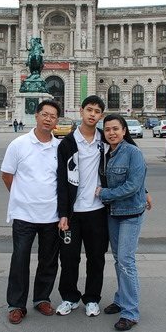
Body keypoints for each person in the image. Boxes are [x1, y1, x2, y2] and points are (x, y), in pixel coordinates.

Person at [0, 99, 62, 325]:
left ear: (56, 121)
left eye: (53, 116)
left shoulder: (60, 148)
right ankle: (16, 305)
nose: (48, 119)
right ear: (36, 116)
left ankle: (42, 298)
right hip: (24, 214)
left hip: (51, 215)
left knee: (48, 260)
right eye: (45, 114)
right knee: (20, 259)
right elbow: (7, 175)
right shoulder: (18, 144)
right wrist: (22, 196)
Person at [95, 114, 151, 331]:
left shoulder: (133, 152)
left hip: (130, 213)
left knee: (126, 261)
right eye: (108, 129)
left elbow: (133, 184)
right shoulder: (105, 153)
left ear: (124, 130)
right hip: (113, 213)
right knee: (119, 259)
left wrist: (104, 194)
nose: (111, 133)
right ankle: (121, 299)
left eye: (115, 129)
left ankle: (130, 312)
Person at [55, 95, 107, 317]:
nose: (92, 114)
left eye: (97, 111)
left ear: (101, 115)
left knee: (96, 258)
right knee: (69, 259)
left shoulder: (105, 140)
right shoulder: (67, 143)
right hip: (73, 213)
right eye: (89, 109)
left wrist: (144, 190)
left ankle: (92, 298)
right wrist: (63, 213)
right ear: (81, 111)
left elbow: (130, 158)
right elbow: (61, 181)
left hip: (98, 211)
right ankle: (69, 297)